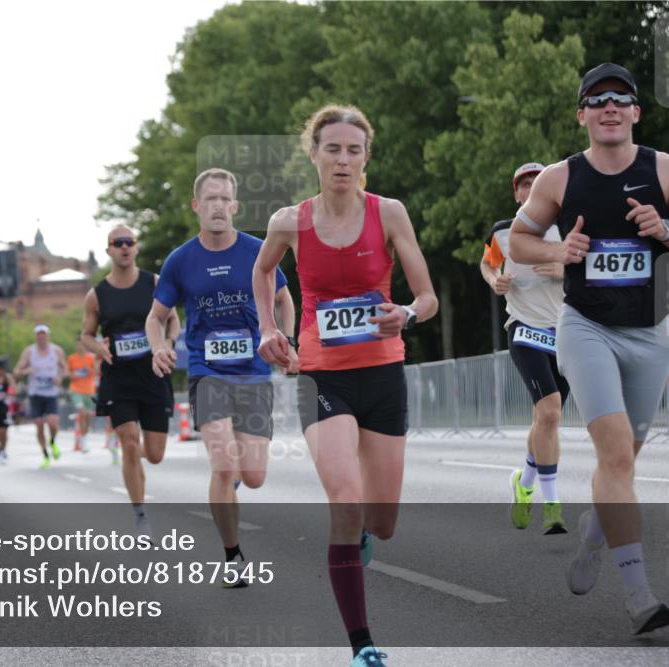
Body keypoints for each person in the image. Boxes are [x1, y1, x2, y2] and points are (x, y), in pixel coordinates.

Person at [509, 63, 669, 635]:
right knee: (617, 455)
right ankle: (638, 595)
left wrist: (665, 231)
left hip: (651, 332)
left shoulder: (667, 170)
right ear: (582, 115)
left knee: (624, 462)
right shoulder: (558, 179)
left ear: (635, 113)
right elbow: (517, 243)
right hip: (586, 328)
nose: (609, 107)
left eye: (620, 99)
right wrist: (561, 253)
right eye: (596, 100)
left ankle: (594, 536)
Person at [253, 104, 438, 667]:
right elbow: (263, 271)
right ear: (313, 154)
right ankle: (362, 646)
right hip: (321, 375)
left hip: (382, 372)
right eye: (332, 149)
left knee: (380, 520)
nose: (342, 159)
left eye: (353, 150)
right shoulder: (290, 221)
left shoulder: (390, 214)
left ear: (366, 158)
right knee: (346, 500)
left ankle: (361, 536)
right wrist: (269, 330)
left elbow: (428, 299)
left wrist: (404, 313)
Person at [147, 167, 297, 582]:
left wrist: (286, 339)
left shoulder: (257, 250)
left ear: (235, 206)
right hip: (207, 372)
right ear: (197, 206)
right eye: (209, 198)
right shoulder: (180, 260)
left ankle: (230, 490)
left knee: (254, 476)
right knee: (224, 465)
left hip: (252, 373)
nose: (217, 206)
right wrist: (160, 346)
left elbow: (285, 299)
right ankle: (233, 557)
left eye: (224, 199)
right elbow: (156, 317)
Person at [481, 162, 570, 534]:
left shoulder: (567, 228)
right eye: (524, 184)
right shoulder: (503, 232)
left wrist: (567, 270)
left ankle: (525, 483)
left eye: (538, 183)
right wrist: (495, 280)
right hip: (524, 329)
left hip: (566, 332)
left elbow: (594, 271)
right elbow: (487, 265)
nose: (531, 188)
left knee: (545, 419)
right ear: (517, 193)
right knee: (549, 411)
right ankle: (552, 505)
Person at [82, 224, 179, 533]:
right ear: (109, 250)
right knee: (129, 444)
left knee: (155, 454)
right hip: (119, 378)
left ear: (136, 248)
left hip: (153, 375)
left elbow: (173, 319)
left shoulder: (155, 282)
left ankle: (140, 497)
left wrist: (167, 344)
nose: (124, 247)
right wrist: (98, 347)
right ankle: (140, 514)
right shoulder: (96, 295)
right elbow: (85, 335)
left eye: (129, 242)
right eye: (117, 243)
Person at [13, 324, 66, 469]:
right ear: (36, 336)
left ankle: (53, 442)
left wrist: (60, 378)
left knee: (53, 422)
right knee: (39, 425)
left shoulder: (56, 350)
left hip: (51, 393)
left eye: (44, 334)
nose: (41, 337)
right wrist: (25, 371)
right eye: (39, 334)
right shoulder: (29, 352)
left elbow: (65, 368)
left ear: (48, 335)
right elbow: (16, 371)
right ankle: (45, 455)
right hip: (35, 393)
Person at [67, 335, 100, 452]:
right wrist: (74, 375)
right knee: (82, 412)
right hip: (75, 389)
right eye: (78, 344)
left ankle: (84, 437)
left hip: (89, 390)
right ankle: (82, 439)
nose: (80, 346)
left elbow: (97, 371)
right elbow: (68, 373)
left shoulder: (91, 358)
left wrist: (89, 369)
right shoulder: (72, 358)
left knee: (87, 416)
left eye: (82, 344)